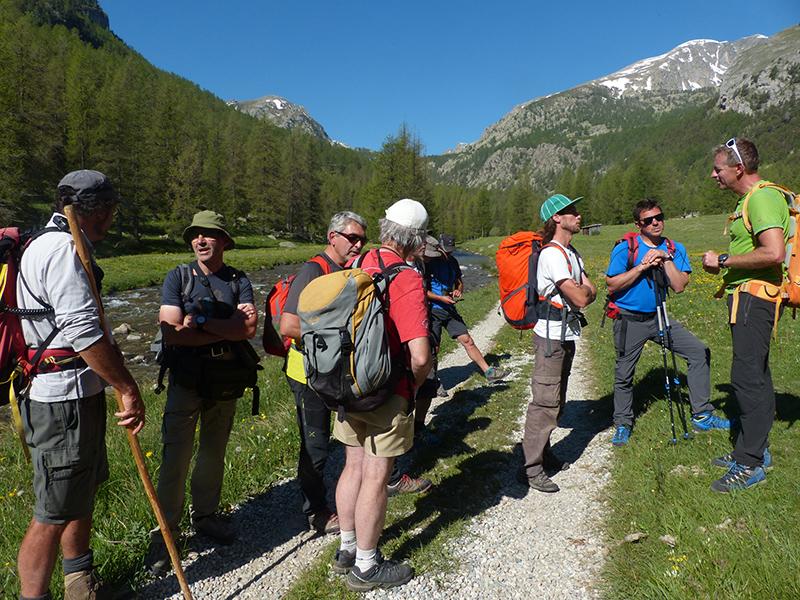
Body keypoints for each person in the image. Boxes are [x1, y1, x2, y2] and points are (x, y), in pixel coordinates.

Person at [16, 170, 145, 600]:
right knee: (51, 512)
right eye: (110, 210)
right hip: (61, 400)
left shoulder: (57, 244)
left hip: (77, 393)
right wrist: (127, 386)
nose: (111, 220)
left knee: (80, 492)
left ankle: (80, 584)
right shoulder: (62, 251)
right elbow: (83, 333)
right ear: (101, 211)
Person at [146, 210, 258, 574]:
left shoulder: (239, 280)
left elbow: (249, 331)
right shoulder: (177, 276)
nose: (201, 240)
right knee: (174, 457)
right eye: (196, 235)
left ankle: (206, 516)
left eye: (209, 235)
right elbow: (172, 333)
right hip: (186, 378)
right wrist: (227, 326)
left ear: (224, 241)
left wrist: (203, 323)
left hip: (226, 379)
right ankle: (165, 535)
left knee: (213, 451)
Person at [331, 198, 433, 591]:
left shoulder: (359, 263)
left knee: (352, 466)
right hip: (386, 390)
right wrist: (415, 386)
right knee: (377, 474)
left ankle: (346, 548)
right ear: (416, 239)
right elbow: (420, 354)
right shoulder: (405, 277)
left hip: (347, 384)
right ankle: (367, 566)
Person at [702, 137, 789, 493]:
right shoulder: (749, 200)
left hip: (755, 298)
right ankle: (756, 449)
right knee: (757, 374)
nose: (713, 175)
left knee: (746, 377)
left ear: (738, 168)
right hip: (747, 296)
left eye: (718, 169)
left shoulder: (763, 198)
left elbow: (773, 253)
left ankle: (749, 463)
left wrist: (723, 260)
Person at [606, 199, 727, 447]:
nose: (656, 223)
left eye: (659, 217)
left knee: (698, 352)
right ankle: (622, 424)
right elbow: (612, 285)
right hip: (629, 319)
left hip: (659, 317)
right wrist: (642, 267)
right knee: (624, 374)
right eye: (648, 220)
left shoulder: (674, 247)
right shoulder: (625, 248)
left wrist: (665, 258)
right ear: (638, 224)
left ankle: (702, 415)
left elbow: (680, 286)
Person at [278, 211, 367, 535]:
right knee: (315, 445)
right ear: (333, 237)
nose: (358, 244)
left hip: (331, 372)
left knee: (343, 438)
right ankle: (315, 511)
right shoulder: (313, 271)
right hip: (306, 375)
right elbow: (288, 325)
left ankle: (348, 491)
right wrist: (337, 337)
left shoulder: (346, 270)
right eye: (352, 238)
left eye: (362, 239)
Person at [520, 194, 596, 493]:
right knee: (544, 403)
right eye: (571, 212)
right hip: (551, 337)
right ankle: (530, 468)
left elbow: (592, 290)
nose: (578, 215)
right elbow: (581, 297)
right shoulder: (553, 255)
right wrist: (584, 294)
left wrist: (584, 293)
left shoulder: (571, 252)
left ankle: (544, 452)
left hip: (565, 333)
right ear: (556, 219)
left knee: (558, 398)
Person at [426, 233, 507, 389]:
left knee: (467, 340)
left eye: (450, 250)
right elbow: (422, 290)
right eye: (445, 250)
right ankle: (433, 383)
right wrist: (440, 298)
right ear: (439, 248)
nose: (448, 253)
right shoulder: (429, 263)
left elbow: (459, 282)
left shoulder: (453, 262)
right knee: (434, 348)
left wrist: (458, 290)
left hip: (449, 308)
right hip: (433, 310)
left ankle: (489, 372)